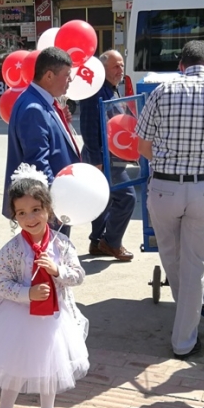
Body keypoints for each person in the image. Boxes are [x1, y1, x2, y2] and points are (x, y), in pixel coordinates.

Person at [134, 40, 204, 359]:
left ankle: (187, 322)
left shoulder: (162, 91)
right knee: (196, 265)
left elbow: (142, 146)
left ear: (181, 65)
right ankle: (184, 340)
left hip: (164, 188)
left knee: (172, 258)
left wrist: (169, 161)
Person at [0, 163, 88, 408]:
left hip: (55, 317)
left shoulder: (62, 245)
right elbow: (1, 284)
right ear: (14, 216)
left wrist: (58, 271)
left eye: (36, 210)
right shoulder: (11, 250)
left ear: (48, 209)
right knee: (15, 366)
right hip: (19, 317)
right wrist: (27, 293)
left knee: (51, 364)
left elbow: (78, 275)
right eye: (22, 213)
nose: (30, 218)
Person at [2, 47, 80, 222]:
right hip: (45, 207)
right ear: (49, 76)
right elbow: (38, 163)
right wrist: (53, 204)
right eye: (67, 75)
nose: (70, 80)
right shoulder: (34, 108)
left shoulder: (40, 101)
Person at [79, 49, 136, 262]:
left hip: (112, 156)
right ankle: (111, 242)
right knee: (127, 197)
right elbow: (88, 127)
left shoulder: (112, 89)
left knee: (104, 200)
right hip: (103, 158)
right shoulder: (95, 92)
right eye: (115, 66)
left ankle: (97, 242)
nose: (120, 70)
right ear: (103, 69)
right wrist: (96, 160)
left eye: (121, 65)